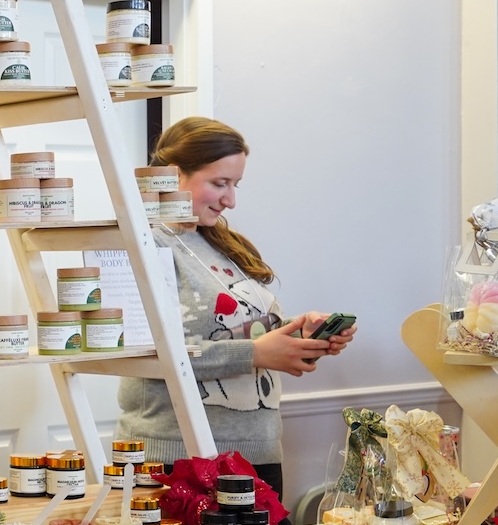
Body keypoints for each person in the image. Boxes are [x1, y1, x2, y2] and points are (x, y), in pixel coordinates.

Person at [114, 116, 355, 494]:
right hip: (178, 456)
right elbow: (142, 354)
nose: (231, 200)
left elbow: (241, 332)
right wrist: (255, 354)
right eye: (219, 183)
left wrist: (298, 332)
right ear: (174, 176)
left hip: (256, 452)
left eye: (235, 184)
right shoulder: (145, 246)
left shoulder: (220, 243)